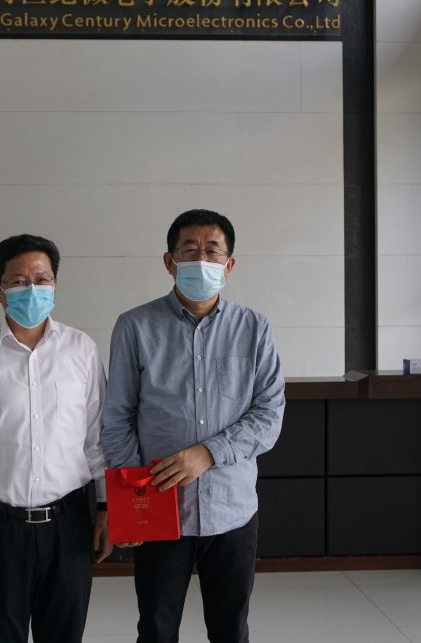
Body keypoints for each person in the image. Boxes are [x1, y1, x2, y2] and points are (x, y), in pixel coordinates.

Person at [101, 209, 285, 643]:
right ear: (169, 261)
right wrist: (130, 506)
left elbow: (269, 414)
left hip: (232, 509)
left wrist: (209, 453)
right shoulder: (135, 326)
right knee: (157, 628)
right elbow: (117, 417)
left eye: (212, 251)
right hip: (159, 510)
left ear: (229, 264)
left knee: (230, 628)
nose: (201, 259)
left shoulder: (254, 328)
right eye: (189, 250)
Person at [0, 233, 112, 643]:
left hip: (69, 523)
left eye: (42, 280)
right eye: (18, 281)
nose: (32, 290)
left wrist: (106, 507)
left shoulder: (81, 350)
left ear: (55, 284)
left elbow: (97, 441)